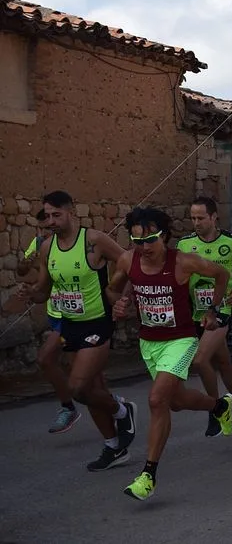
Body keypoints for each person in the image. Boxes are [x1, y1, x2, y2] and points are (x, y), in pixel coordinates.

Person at [108, 207, 232, 500]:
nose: (144, 247)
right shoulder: (128, 260)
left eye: (150, 240)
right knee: (175, 401)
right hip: (149, 342)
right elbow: (112, 290)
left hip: (181, 339)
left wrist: (212, 309)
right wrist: (119, 303)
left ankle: (148, 475)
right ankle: (219, 407)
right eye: (138, 241)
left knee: (157, 400)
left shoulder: (183, 262)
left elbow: (221, 274)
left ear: (164, 236)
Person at [18, 191, 136, 470]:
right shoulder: (47, 247)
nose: (51, 221)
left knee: (78, 388)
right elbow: (44, 291)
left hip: (97, 322)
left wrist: (121, 297)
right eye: (47, 216)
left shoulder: (93, 240)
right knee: (92, 389)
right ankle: (114, 446)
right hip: (69, 324)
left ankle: (122, 410)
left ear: (71, 211)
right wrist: (31, 293)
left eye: (56, 215)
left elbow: (129, 263)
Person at [178, 197, 232, 438]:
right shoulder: (184, 244)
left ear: (214, 217)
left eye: (201, 218)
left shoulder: (231, 242)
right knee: (222, 362)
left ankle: (215, 409)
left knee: (201, 360)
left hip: (223, 308)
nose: (196, 223)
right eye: (193, 218)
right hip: (197, 309)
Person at [10, 209, 76, 433]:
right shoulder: (40, 245)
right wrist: (28, 264)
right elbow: (23, 271)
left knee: (50, 360)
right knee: (76, 373)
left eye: (49, 226)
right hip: (55, 313)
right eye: (42, 228)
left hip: (75, 316)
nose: (46, 232)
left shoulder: (72, 244)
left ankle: (74, 407)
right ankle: (116, 408)